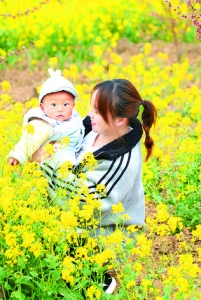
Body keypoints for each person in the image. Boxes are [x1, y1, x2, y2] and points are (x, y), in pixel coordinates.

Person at [35, 78, 157, 294]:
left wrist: (46, 161)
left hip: (108, 228)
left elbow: (84, 202)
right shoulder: (95, 128)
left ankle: (95, 280)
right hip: (79, 204)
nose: (90, 114)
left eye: (97, 111)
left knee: (49, 238)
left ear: (120, 120)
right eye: (91, 106)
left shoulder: (121, 159)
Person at [7, 68, 84, 169]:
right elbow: (30, 140)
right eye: (53, 104)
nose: (60, 109)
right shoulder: (44, 125)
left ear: (73, 105)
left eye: (66, 104)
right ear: (43, 107)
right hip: (52, 164)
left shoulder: (72, 116)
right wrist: (18, 155)